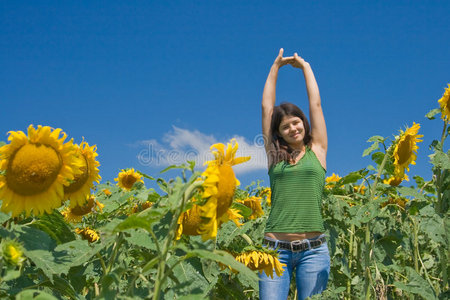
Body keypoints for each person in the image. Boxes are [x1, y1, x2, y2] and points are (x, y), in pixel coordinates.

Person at [260, 48, 330, 300]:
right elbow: (267, 107)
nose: (292, 128)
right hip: (274, 250)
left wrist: (306, 68)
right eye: (285, 126)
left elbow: (316, 104)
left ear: (303, 122)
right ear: (278, 133)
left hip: (314, 250)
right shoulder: (274, 155)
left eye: (296, 122)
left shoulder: (318, 150)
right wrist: (275, 67)